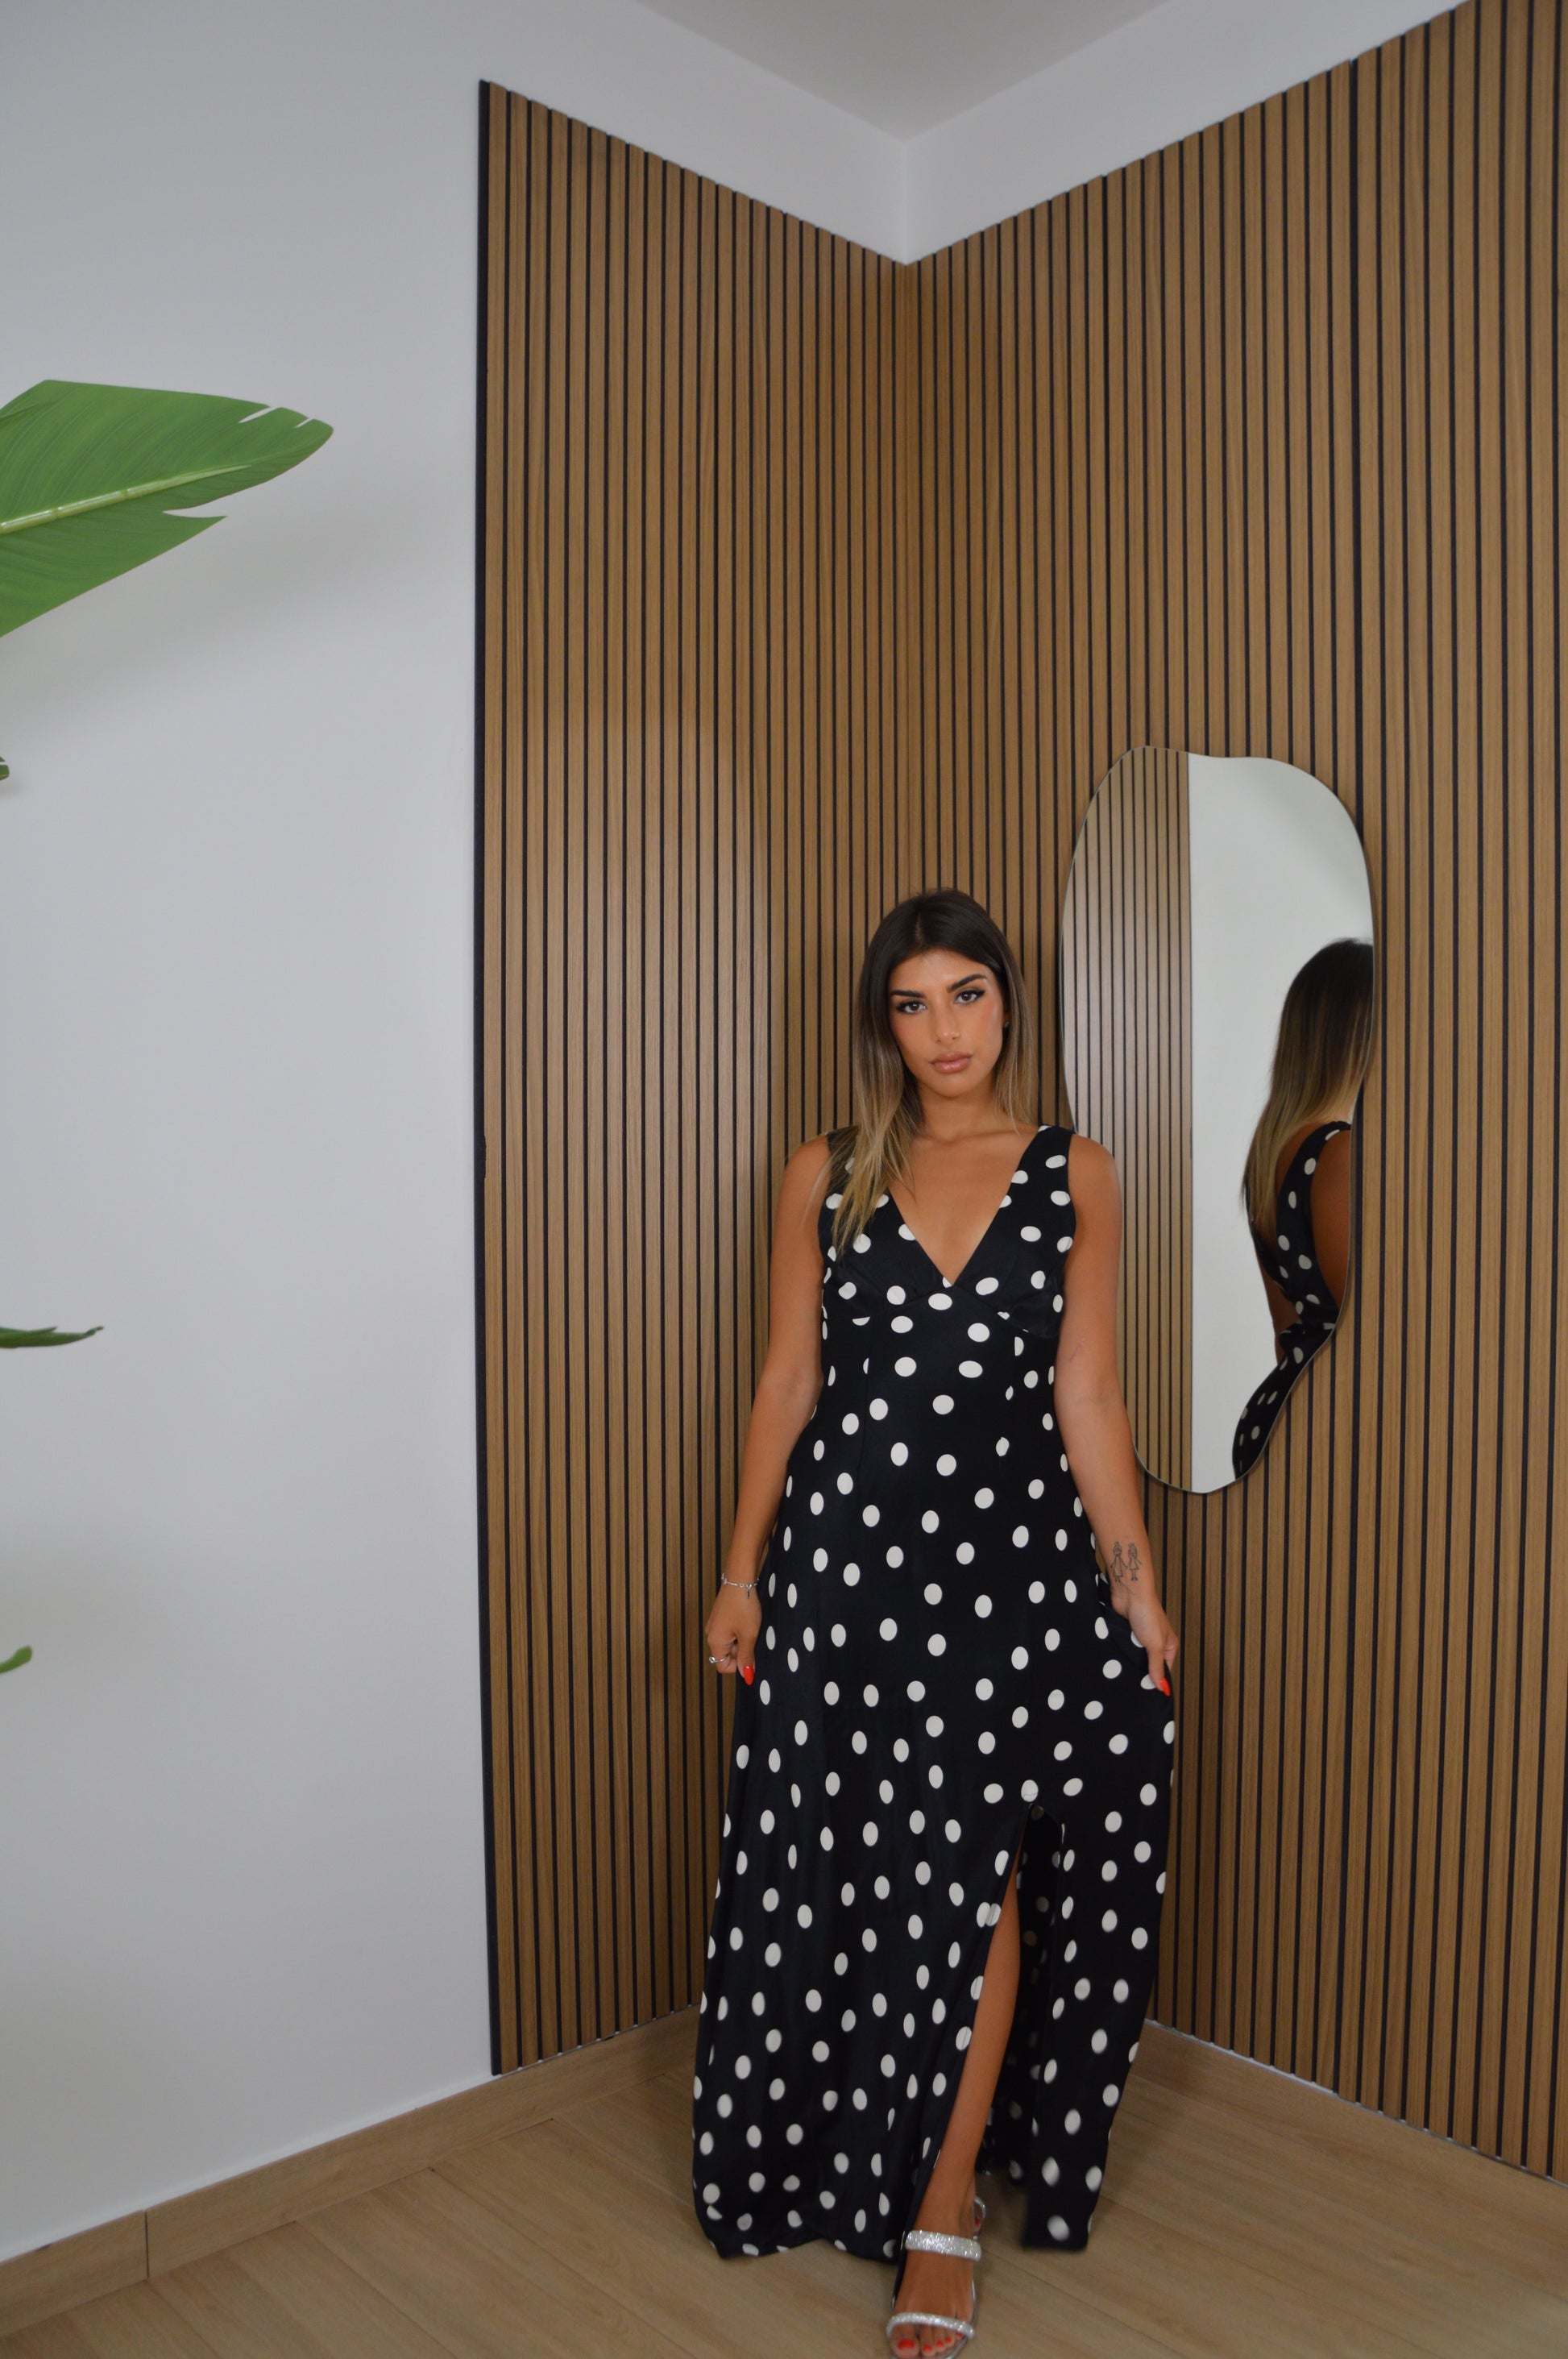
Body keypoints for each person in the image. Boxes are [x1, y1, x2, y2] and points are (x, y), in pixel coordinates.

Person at [694, 889, 1179, 2357]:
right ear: (882, 1025)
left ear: (1007, 1001)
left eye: (966, 993)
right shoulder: (825, 1171)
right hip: (847, 1575)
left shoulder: (1075, 1169)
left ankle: (944, 2201)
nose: (943, 1030)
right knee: (852, 1870)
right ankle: (848, 2145)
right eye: (912, 1004)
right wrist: (740, 1570)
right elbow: (789, 1380)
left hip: (1010, 1583)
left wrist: (1134, 1578)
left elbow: (1085, 1391)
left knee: (984, 1882)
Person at [1231, 938, 1375, 1480]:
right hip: (1339, 1428)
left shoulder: (1273, 1151)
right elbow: (1370, 1333)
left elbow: (1286, 1329)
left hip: (1285, 1416)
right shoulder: (1340, 1152)